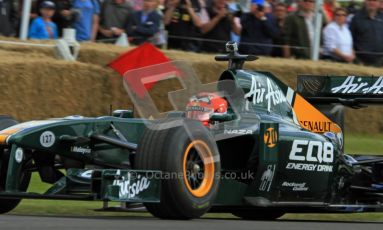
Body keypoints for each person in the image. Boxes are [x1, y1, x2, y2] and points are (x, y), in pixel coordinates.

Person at [350, 0, 383, 66]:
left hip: (380, 62)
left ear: (379, 3)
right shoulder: (356, 18)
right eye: (369, 0)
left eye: (375, 0)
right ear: (365, 2)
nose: (372, 2)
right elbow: (350, 39)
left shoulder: (382, 17)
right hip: (360, 62)